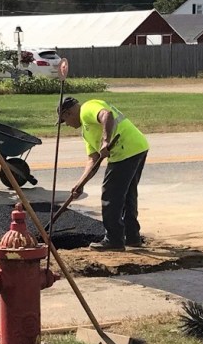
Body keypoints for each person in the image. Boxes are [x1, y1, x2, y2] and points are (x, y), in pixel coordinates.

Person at [58, 96, 149, 251]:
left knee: (110, 196)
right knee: (127, 195)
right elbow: (93, 160)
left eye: (64, 120)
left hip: (125, 150)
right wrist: (80, 184)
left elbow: (107, 115)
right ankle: (132, 237)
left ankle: (114, 240)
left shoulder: (87, 108)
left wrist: (106, 141)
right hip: (137, 147)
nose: (67, 124)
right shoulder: (86, 131)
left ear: (68, 113)